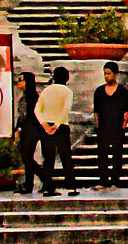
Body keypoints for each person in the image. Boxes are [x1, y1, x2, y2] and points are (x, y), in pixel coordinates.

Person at [33, 65, 81, 196]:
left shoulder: (46, 91)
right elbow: (66, 109)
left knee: (48, 159)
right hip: (61, 127)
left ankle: (48, 187)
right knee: (66, 157)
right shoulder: (67, 91)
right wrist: (57, 124)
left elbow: (37, 110)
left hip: (45, 127)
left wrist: (44, 124)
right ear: (66, 78)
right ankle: (71, 187)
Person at [93, 60, 128, 190]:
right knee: (102, 154)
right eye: (105, 73)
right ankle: (103, 180)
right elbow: (96, 111)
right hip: (103, 127)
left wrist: (123, 126)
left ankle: (115, 179)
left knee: (117, 154)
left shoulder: (122, 91)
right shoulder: (99, 91)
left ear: (116, 75)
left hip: (117, 127)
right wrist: (97, 126)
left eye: (108, 73)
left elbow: (127, 110)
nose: (106, 76)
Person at [12, 68, 40, 194]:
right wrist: (17, 128)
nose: (19, 83)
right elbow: (21, 116)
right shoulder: (22, 99)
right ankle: (28, 184)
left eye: (21, 80)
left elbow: (31, 115)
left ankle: (42, 178)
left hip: (32, 131)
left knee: (27, 157)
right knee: (25, 157)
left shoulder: (33, 97)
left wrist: (22, 127)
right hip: (24, 131)